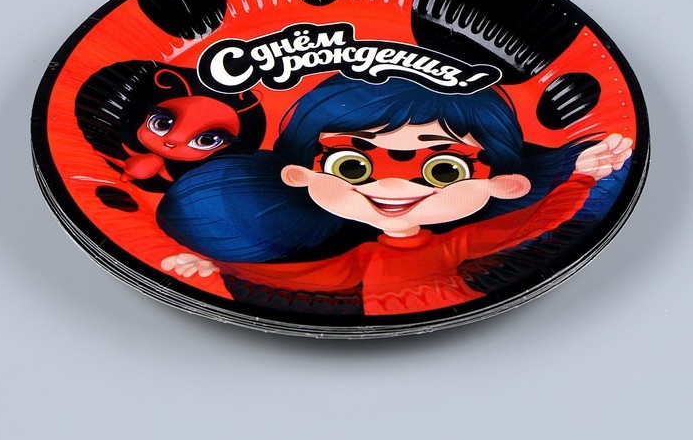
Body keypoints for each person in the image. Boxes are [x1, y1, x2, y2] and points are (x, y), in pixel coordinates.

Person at [157, 75, 632, 315]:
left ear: (504, 183)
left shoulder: (461, 246)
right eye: (352, 165)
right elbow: (309, 279)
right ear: (300, 174)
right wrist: (223, 269)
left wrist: (580, 177)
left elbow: (531, 226)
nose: (392, 186)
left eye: (443, 169)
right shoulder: (359, 258)